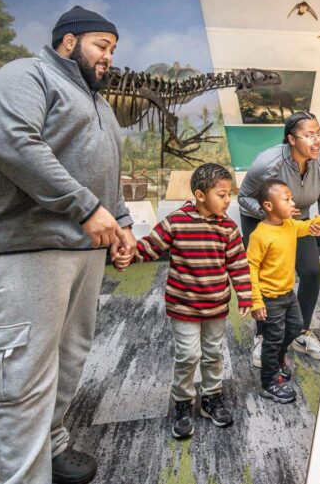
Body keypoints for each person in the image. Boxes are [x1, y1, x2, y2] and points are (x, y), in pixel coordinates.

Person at [0, 5, 136, 484]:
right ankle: (22, 476)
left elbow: (106, 176)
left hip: (85, 252)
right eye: (101, 46)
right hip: (28, 247)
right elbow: (16, 145)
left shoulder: (99, 103)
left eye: (112, 50)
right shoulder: (24, 76)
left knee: (70, 357)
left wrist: (121, 224)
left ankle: (52, 444)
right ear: (69, 41)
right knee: (21, 372)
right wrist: (86, 208)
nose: (108, 58)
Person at [114, 163, 251, 440]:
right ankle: (183, 403)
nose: (228, 201)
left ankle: (211, 398)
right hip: (184, 306)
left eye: (229, 195)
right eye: (222, 195)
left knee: (213, 354)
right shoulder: (176, 221)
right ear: (200, 196)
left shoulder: (228, 227)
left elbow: (238, 262)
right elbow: (150, 247)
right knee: (188, 356)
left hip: (216, 306)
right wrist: (129, 253)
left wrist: (245, 294)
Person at [239, 112, 320, 364]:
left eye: (319, 134)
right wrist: (269, 212)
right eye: (309, 135)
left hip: (298, 219)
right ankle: (262, 336)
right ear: (292, 140)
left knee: (311, 271)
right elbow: (243, 197)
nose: (317, 141)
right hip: (261, 218)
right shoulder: (267, 163)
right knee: (268, 277)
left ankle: (301, 333)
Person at [247, 178, 320, 404]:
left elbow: (310, 225)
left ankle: (278, 359)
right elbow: (250, 268)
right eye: (287, 199)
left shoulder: (290, 225)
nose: (293, 203)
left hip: (288, 295)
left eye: (292, 198)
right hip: (269, 299)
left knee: (295, 328)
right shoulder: (260, 235)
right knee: (273, 338)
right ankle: (269, 382)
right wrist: (256, 301)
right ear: (268, 206)